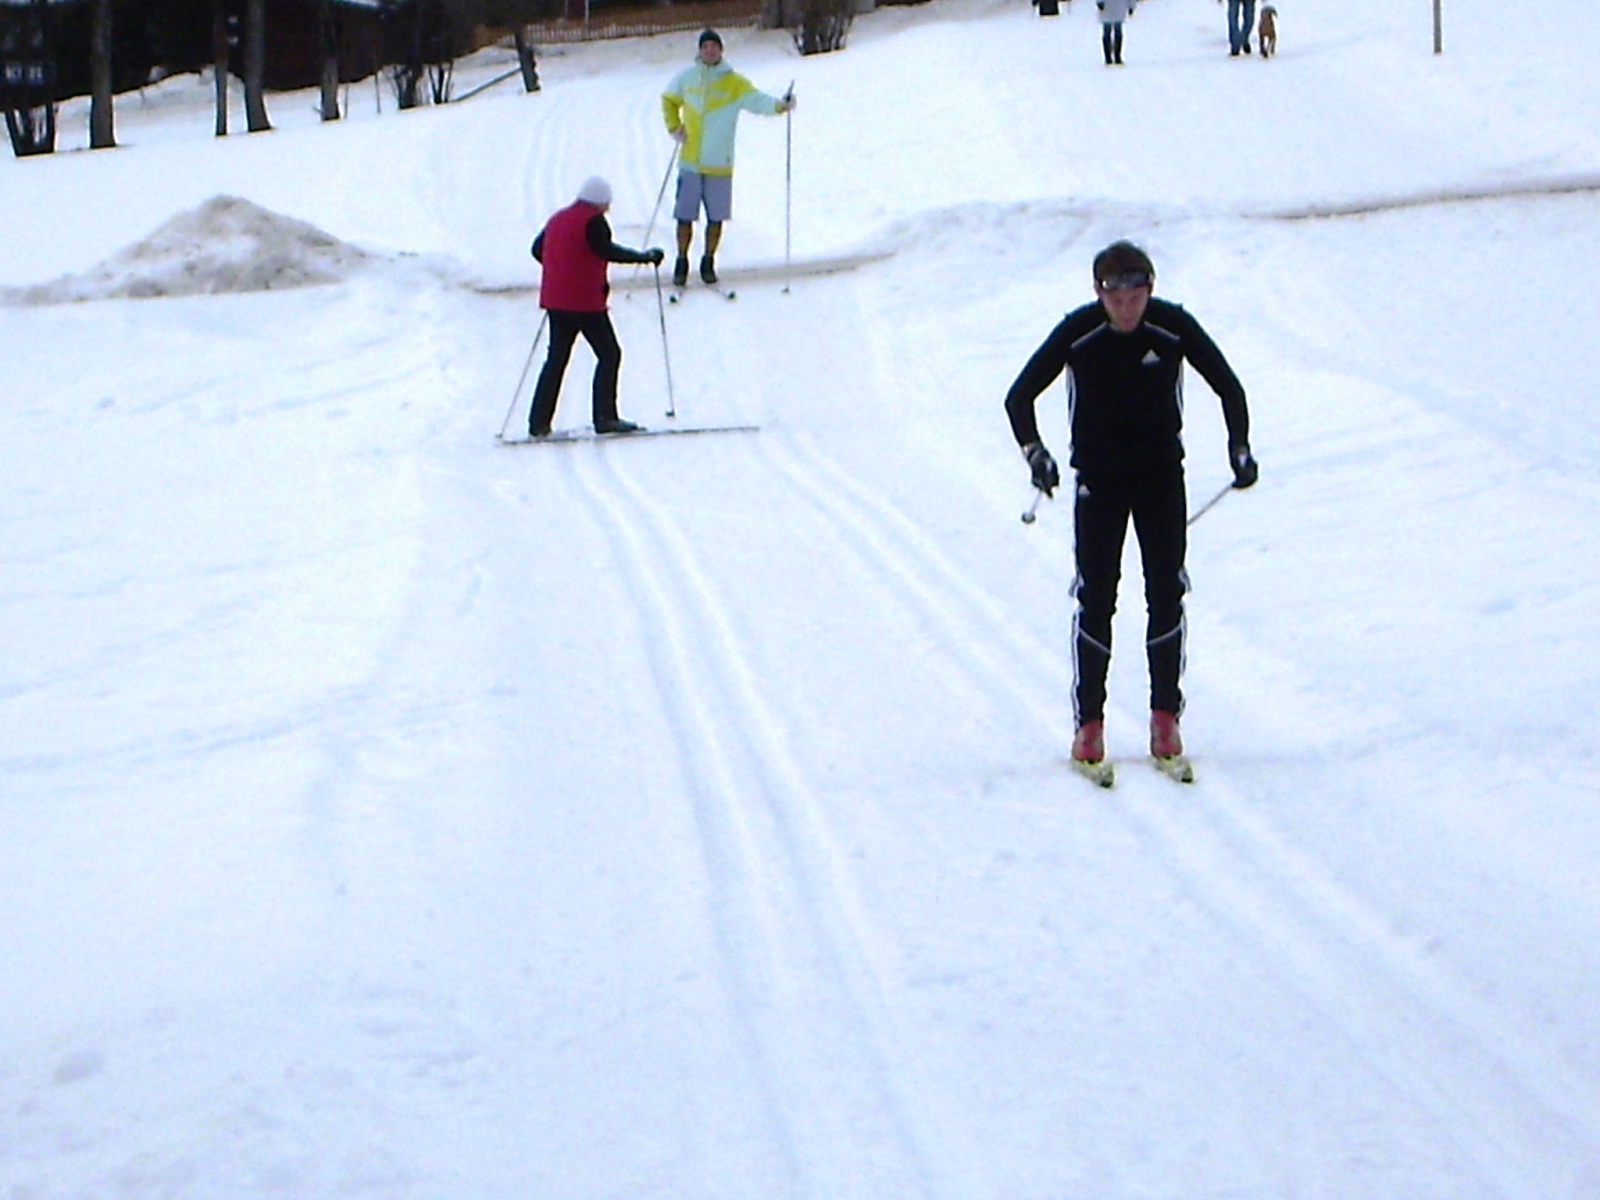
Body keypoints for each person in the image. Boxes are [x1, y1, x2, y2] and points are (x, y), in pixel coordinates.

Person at [1003, 241, 1258, 771]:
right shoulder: (1080, 332)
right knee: (1097, 598)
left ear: (1150, 290)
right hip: (1098, 484)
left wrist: (1239, 448)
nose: (1126, 309)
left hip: (1160, 480)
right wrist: (1036, 455)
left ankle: (1165, 719)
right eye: (1115, 299)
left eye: (1136, 297)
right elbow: (1019, 396)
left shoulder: (1171, 327)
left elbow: (1229, 387)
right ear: (1099, 294)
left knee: (1166, 592)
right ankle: (1089, 727)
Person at [528, 177, 664, 437]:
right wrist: (643, 257)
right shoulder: (593, 221)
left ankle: (538, 422)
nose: (608, 208)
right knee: (609, 354)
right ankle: (605, 418)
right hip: (584, 301)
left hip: (555, 300)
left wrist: (561, 268)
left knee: (556, 359)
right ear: (601, 201)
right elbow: (606, 250)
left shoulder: (558, 218)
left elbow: (537, 250)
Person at [660, 29, 796, 288]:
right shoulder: (687, 78)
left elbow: (757, 101)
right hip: (690, 161)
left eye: (714, 46)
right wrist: (674, 126)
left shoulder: (734, 82)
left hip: (719, 164)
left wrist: (780, 106)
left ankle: (708, 262)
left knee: (716, 218)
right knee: (684, 216)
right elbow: (668, 100)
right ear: (699, 50)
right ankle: (681, 261)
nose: (710, 51)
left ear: (721, 51)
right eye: (705, 46)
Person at [1097, 0, 1135, 65]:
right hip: (1110, 8)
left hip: (1116, 8)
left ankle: (1115, 55)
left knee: (1113, 33)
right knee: (1111, 33)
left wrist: (1131, 6)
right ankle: (1110, 56)